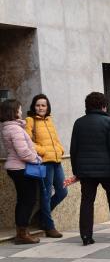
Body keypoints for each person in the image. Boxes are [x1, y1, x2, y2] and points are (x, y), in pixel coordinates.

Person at [70, 92, 110, 246]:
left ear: (87, 106)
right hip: (108, 171)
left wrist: (77, 171)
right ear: (104, 106)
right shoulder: (109, 122)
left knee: (87, 201)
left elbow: (73, 149)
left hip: (86, 172)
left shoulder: (78, 123)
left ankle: (86, 236)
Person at [24, 94, 67, 238]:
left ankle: (41, 216)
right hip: (44, 162)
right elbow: (28, 142)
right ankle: (49, 226)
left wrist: (60, 149)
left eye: (43, 105)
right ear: (33, 107)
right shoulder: (30, 120)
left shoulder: (49, 120)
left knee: (62, 192)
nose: (41, 108)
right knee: (46, 195)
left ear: (47, 107)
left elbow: (56, 139)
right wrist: (43, 151)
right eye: (38, 105)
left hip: (56, 161)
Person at [1, 99, 42, 244]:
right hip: (21, 168)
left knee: (23, 200)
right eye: (19, 108)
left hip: (16, 168)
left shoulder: (9, 127)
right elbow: (23, 152)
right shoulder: (14, 129)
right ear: (13, 111)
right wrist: (37, 159)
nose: (21, 111)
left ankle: (22, 231)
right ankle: (22, 234)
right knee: (28, 200)